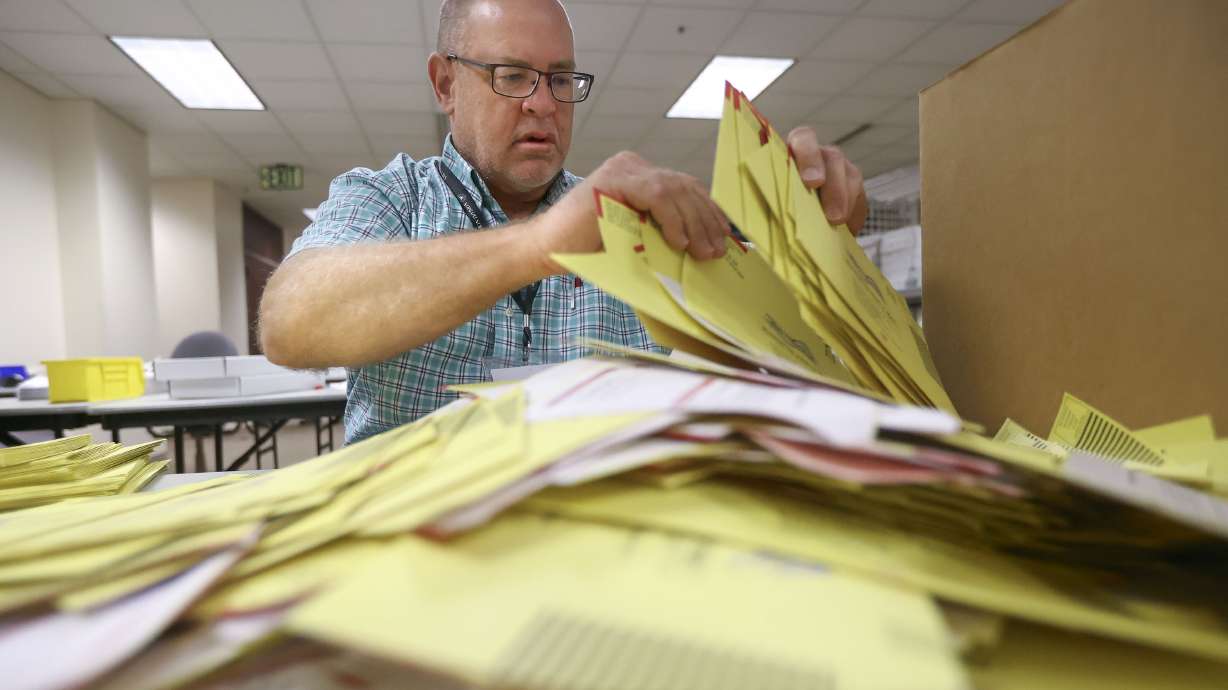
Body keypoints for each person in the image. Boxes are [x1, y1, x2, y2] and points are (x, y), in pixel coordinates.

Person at [260, 0, 868, 444]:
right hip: (414, 550)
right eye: (512, 75)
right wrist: (541, 243)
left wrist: (818, 240)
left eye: (559, 78)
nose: (544, 103)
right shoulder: (390, 200)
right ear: (445, 84)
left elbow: (765, 349)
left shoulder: (636, 221)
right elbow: (290, 324)